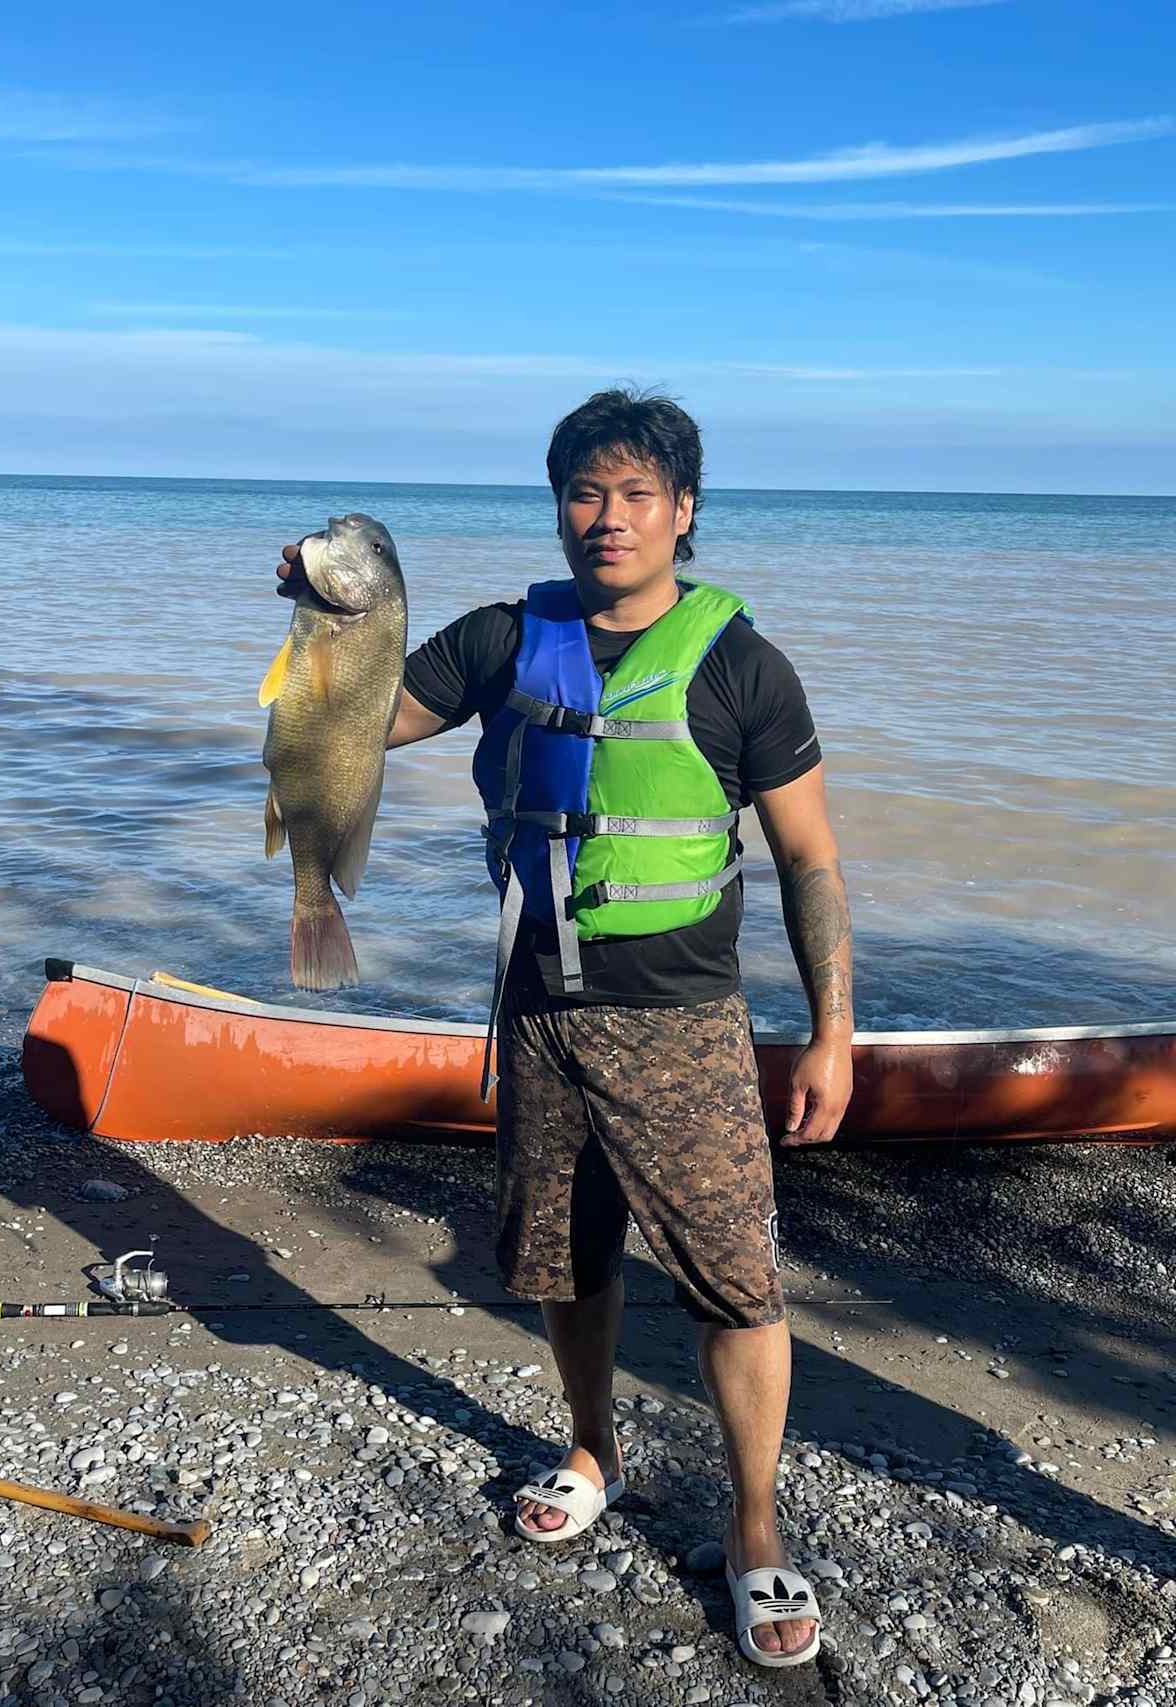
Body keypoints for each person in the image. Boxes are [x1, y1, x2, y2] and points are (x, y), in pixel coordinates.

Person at [274, 389, 854, 1668]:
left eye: (636, 494)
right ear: (558, 507)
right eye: (585, 494)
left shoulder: (741, 664)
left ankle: (754, 1525)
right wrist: (327, 623)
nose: (608, 518)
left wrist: (831, 1030)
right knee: (563, 1257)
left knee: (735, 1281)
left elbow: (809, 859)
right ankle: (592, 1449)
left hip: (683, 1023)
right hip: (534, 1010)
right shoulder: (498, 639)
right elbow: (345, 730)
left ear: (683, 511)